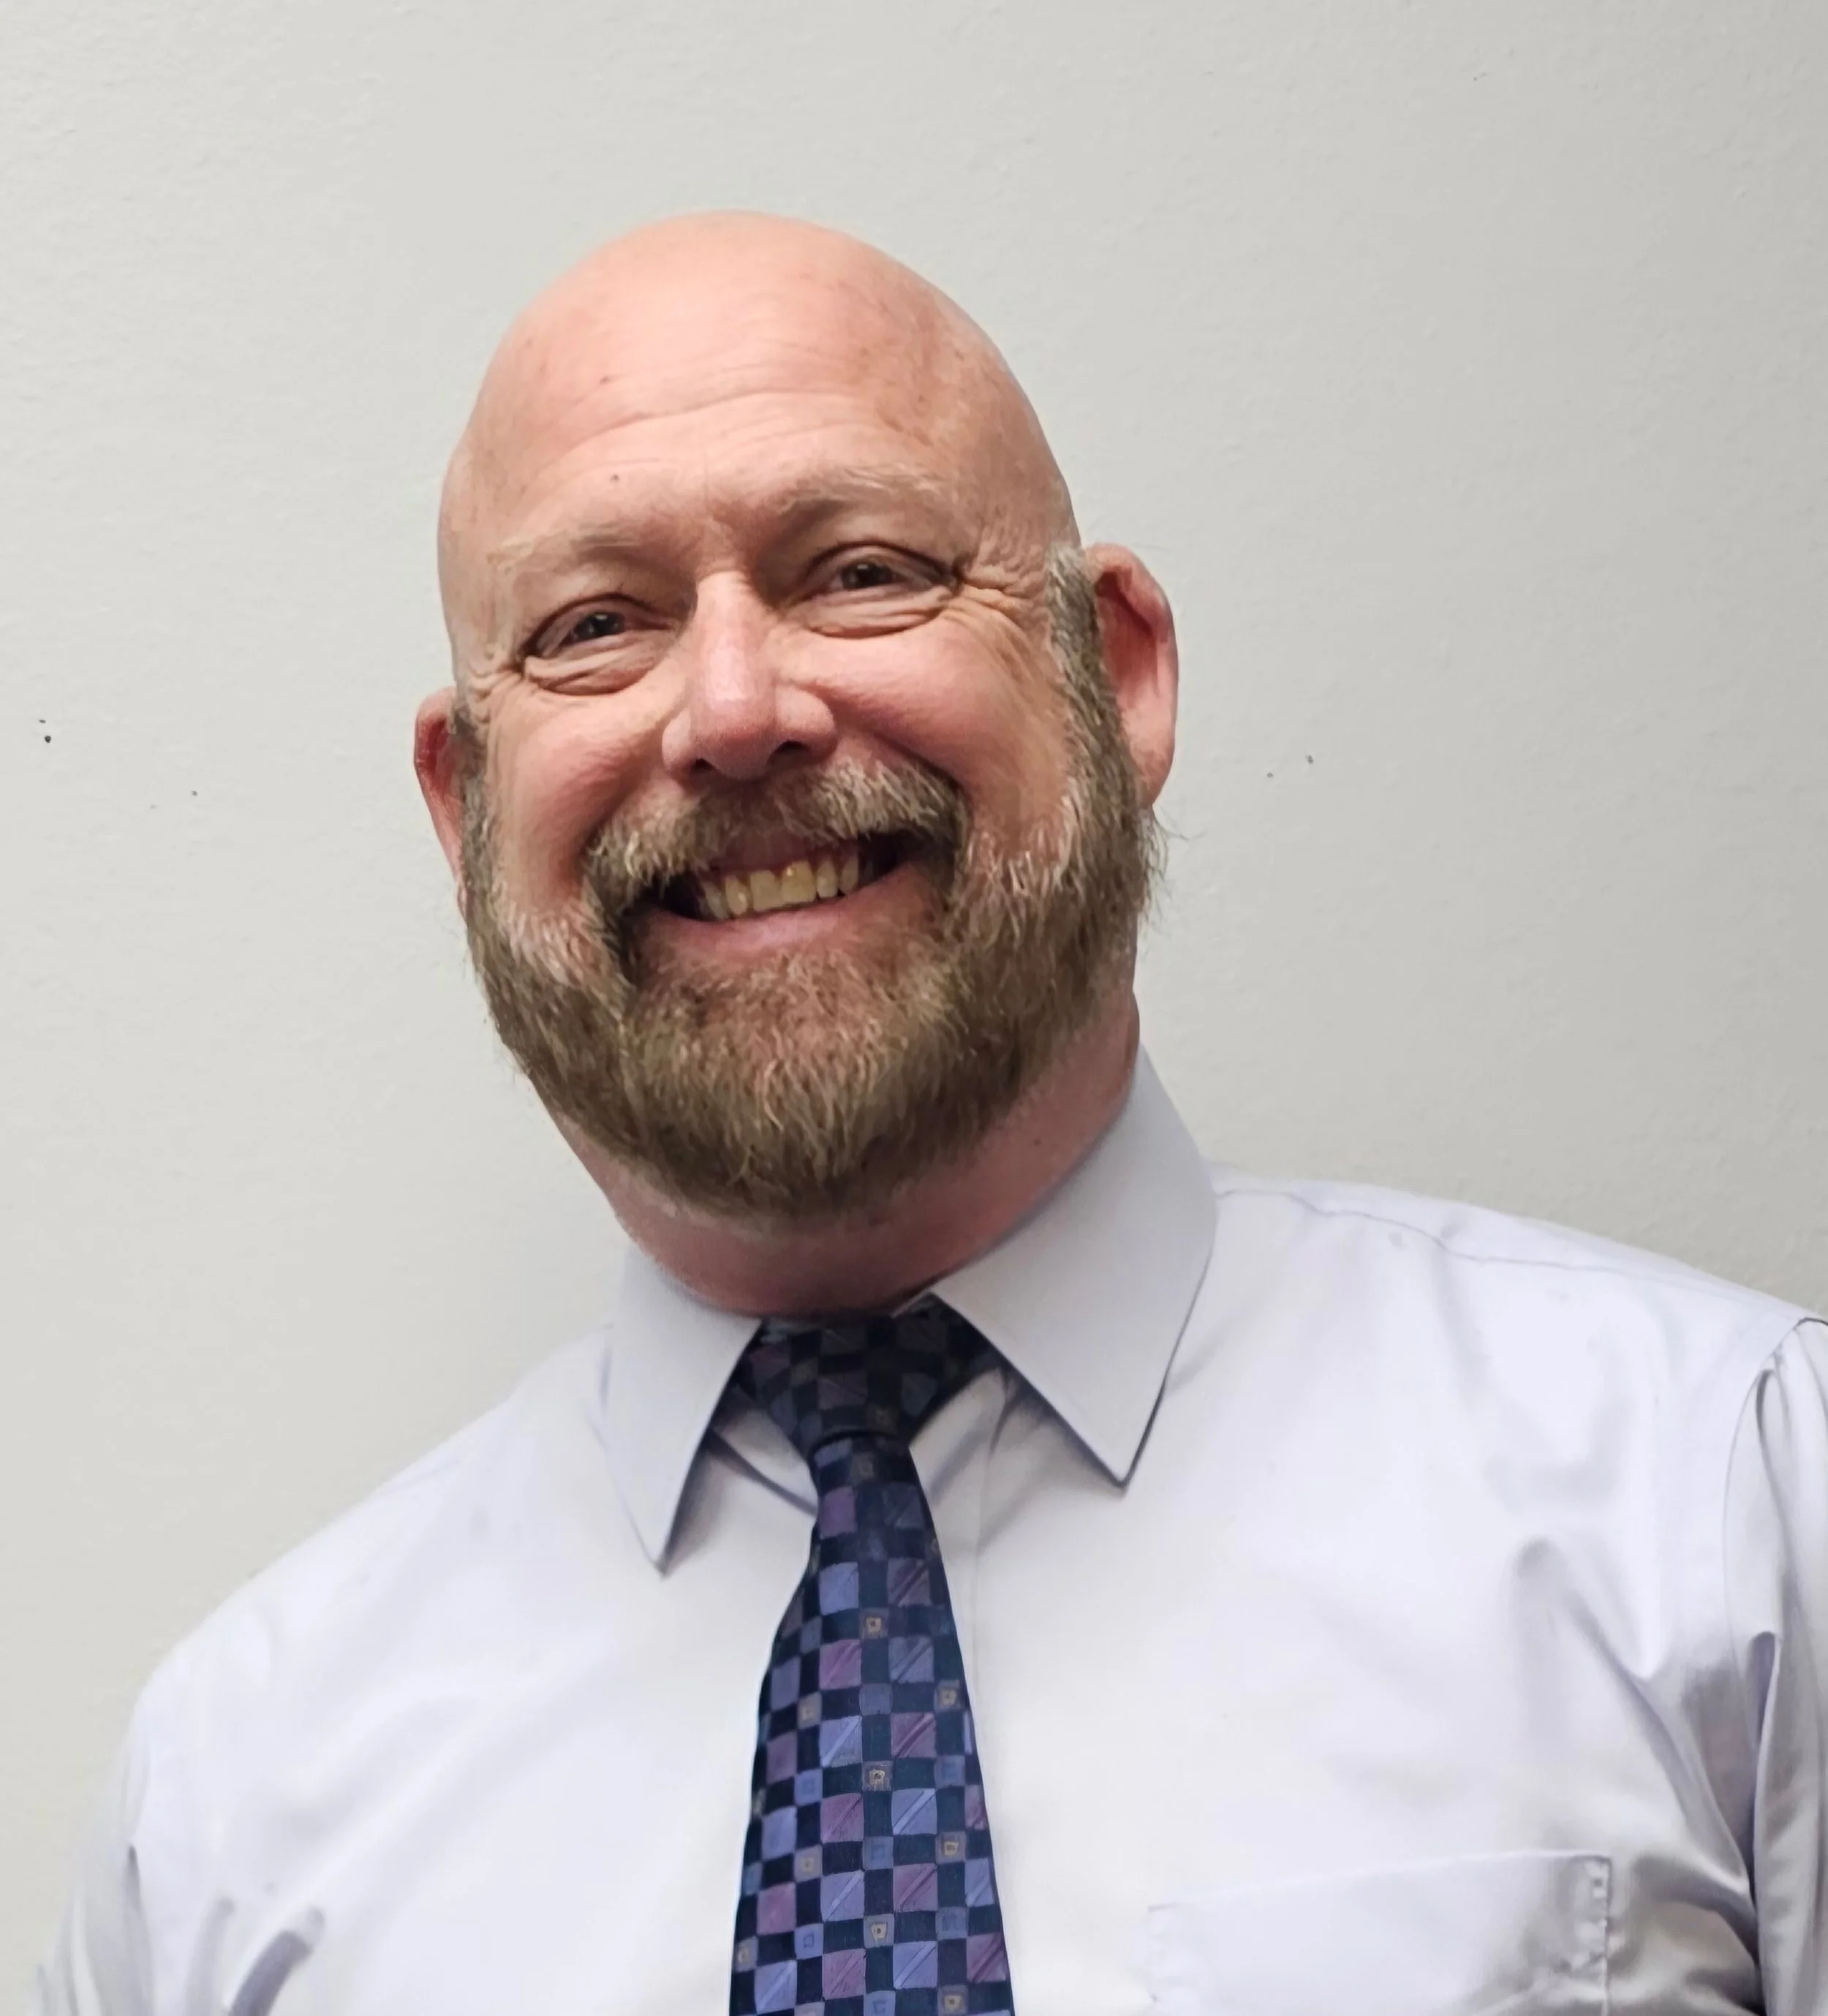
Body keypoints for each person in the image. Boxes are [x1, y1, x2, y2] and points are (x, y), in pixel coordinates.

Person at [33, 213, 1827, 2016]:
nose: (732, 710)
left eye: (859, 569)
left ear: (1114, 675)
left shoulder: (1731, 1514)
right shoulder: (231, 1819)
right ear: (461, 808)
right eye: (594, 627)